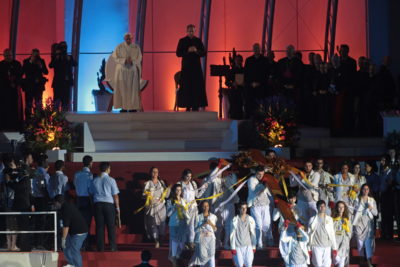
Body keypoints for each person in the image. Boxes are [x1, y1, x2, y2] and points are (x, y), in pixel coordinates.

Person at [176, 24, 207, 111]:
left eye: (192, 31)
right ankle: (187, 105)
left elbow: (204, 53)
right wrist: (188, 50)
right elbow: (178, 53)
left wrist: (196, 50)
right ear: (186, 31)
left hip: (196, 67)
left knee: (196, 86)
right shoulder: (182, 41)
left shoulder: (198, 41)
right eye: (189, 31)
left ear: (195, 31)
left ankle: (196, 105)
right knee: (186, 86)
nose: (191, 32)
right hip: (186, 67)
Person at [109, 33, 143, 112]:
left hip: (132, 71)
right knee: (122, 88)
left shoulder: (136, 47)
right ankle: (123, 107)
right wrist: (124, 61)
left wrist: (133, 61)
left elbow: (140, 57)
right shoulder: (119, 47)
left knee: (133, 89)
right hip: (122, 70)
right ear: (124, 39)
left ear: (132, 39)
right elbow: (115, 57)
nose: (128, 40)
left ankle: (132, 107)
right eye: (127, 39)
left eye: (130, 39)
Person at [91, 162, 120, 251]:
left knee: (99, 227)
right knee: (111, 226)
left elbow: (91, 193)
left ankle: (100, 247)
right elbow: (115, 195)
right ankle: (112, 247)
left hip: (97, 204)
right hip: (108, 204)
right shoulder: (111, 180)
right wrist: (117, 208)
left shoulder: (94, 180)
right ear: (107, 169)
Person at [176, 168, 207, 249]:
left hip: (193, 208)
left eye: (190, 176)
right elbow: (176, 196)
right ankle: (184, 242)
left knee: (192, 226)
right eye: (187, 176)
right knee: (184, 226)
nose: (189, 178)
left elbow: (197, 195)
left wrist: (203, 188)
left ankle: (191, 242)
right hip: (183, 208)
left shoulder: (193, 183)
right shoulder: (179, 183)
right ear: (183, 175)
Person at [54, 195, 88, 267]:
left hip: (80, 232)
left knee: (74, 250)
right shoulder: (65, 206)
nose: (54, 205)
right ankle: (72, 264)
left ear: (57, 203)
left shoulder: (66, 209)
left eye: (54, 204)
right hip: (73, 231)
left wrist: (63, 239)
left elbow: (66, 226)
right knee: (66, 247)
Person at [247, 165, 273, 249]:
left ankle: (264, 239)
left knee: (266, 224)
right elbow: (254, 191)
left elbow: (269, 192)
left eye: (262, 174)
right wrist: (263, 184)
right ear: (255, 173)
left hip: (265, 205)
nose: (260, 176)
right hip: (255, 205)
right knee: (258, 225)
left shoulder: (264, 180)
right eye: (259, 174)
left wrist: (274, 201)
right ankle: (259, 243)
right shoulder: (251, 180)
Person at [143, 167, 169, 248]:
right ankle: (156, 240)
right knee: (153, 224)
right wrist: (148, 195)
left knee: (162, 224)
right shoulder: (148, 183)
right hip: (152, 206)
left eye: (156, 172)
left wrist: (168, 189)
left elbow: (167, 195)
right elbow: (143, 195)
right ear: (150, 173)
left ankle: (161, 239)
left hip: (161, 206)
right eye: (153, 172)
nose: (155, 173)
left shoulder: (161, 183)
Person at [352, 184, 378, 267]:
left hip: (368, 223)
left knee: (368, 243)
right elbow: (353, 210)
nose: (365, 190)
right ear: (361, 190)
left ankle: (369, 261)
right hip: (359, 222)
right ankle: (361, 259)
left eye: (367, 189)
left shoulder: (372, 200)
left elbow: (376, 213)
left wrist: (371, 208)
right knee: (360, 242)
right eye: (364, 189)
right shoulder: (357, 199)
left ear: (369, 190)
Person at [308, 200, 337, 267]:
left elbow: (332, 234)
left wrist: (334, 247)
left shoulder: (329, 219)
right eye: (320, 206)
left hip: (327, 246)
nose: (322, 208)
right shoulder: (312, 219)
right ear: (317, 207)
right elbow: (309, 234)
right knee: (318, 264)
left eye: (323, 206)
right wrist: (308, 248)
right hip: (316, 246)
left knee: (327, 265)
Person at [73, 155, 94, 250]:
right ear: (90, 163)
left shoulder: (77, 174)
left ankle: (80, 244)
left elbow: (74, 184)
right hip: (86, 200)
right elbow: (91, 189)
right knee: (86, 224)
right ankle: (85, 244)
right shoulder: (89, 175)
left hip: (78, 200)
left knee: (79, 223)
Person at [49, 42, 77, 111]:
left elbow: (75, 64)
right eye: (63, 47)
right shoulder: (56, 57)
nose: (64, 49)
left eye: (65, 47)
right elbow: (50, 65)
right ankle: (56, 119)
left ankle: (65, 119)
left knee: (65, 102)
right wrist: (56, 57)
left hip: (66, 82)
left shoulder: (69, 57)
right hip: (58, 83)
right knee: (56, 101)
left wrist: (69, 59)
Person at [189, 201, 217, 267]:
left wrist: (211, 224)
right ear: (202, 207)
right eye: (204, 206)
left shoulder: (213, 216)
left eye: (207, 206)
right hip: (201, 239)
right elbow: (195, 230)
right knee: (202, 259)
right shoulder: (198, 217)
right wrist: (203, 224)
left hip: (211, 239)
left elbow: (215, 229)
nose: (206, 207)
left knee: (211, 259)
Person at [243, 43, 269, 118]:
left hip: (261, 88)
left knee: (260, 107)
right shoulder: (248, 60)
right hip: (250, 88)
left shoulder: (264, 60)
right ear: (253, 50)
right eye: (254, 48)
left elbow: (266, 74)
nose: (256, 50)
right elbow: (246, 74)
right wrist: (250, 83)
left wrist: (259, 83)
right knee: (250, 107)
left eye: (257, 48)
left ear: (260, 49)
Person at [21, 48, 48, 118]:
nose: (36, 56)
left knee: (38, 103)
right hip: (29, 86)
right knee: (28, 104)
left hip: (38, 86)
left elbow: (46, 72)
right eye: (35, 55)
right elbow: (22, 72)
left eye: (37, 55)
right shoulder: (26, 61)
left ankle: (38, 120)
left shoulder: (41, 61)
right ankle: (28, 120)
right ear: (31, 54)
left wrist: (41, 66)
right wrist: (30, 62)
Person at [167, 184, 188, 267]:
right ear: (174, 191)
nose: (178, 192)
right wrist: (174, 207)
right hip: (174, 225)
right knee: (174, 246)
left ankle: (177, 259)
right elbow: (168, 214)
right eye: (177, 190)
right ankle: (174, 261)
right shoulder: (170, 201)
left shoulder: (183, 200)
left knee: (181, 245)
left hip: (182, 225)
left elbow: (186, 213)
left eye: (180, 190)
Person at [0, 48, 22, 130]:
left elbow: (20, 75)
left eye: (9, 55)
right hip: (4, 91)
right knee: (4, 108)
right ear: (4, 56)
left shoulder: (17, 64)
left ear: (12, 55)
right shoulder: (1, 64)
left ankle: (14, 126)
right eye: (6, 55)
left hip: (14, 90)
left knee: (14, 109)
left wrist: (15, 82)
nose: (8, 57)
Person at [230, 202, 256, 267]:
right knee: (239, 265)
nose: (244, 210)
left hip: (248, 246)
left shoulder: (250, 219)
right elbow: (232, 235)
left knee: (249, 264)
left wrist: (254, 246)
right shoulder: (234, 220)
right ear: (239, 209)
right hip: (238, 246)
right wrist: (233, 247)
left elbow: (253, 234)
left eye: (245, 208)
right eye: (242, 208)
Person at [332, 201, 352, 267]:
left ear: (344, 208)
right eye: (339, 207)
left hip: (344, 243)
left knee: (342, 263)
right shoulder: (333, 219)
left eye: (342, 207)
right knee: (336, 260)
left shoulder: (347, 219)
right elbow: (331, 231)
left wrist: (346, 227)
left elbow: (350, 232)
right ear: (337, 208)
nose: (341, 208)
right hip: (336, 242)